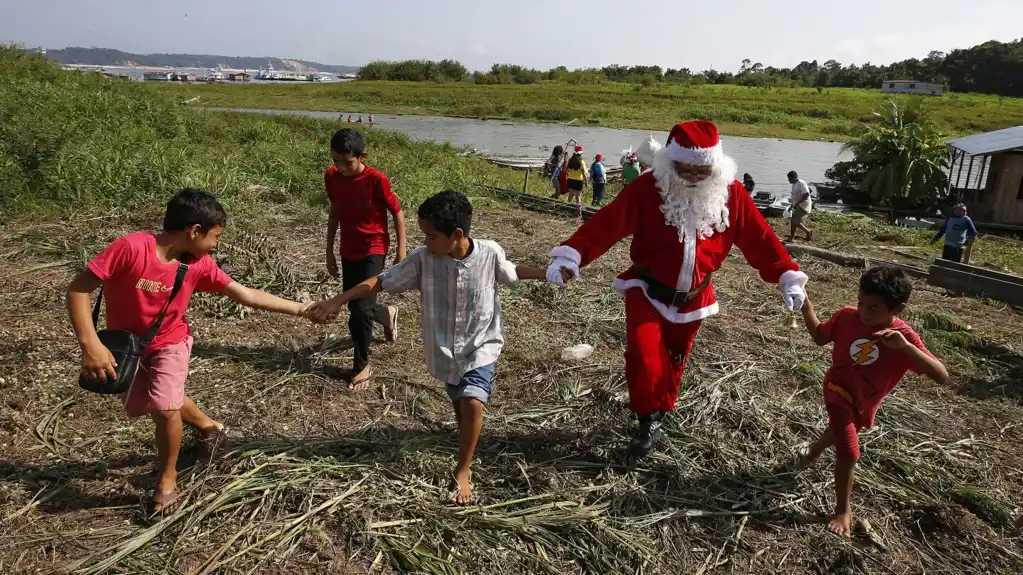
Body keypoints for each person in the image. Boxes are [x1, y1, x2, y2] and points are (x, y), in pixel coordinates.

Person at [546, 120, 808, 458]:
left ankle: (661, 412)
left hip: (695, 296)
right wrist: (572, 256)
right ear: (672, 162)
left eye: (704, 171)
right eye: (689, 169)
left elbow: (760, 239)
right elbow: (606, 223)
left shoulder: (732, 195)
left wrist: (786, 274)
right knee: (643, 353)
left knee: (675, 358)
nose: (697, 177)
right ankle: (646, 417)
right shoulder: (647, 189)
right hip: (647, 288)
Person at [67, 189, 313, 514]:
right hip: (128, 346)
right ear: (194, 231)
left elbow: (246, 294)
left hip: (171, 342)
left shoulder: (199, 265)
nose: (216, 245)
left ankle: (167, 478)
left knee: (165, 409)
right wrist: (91, 345)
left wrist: (302, 309)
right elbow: (78, 289)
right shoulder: (131, 248)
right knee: (160, 399)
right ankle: (211, 427)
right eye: (215, 236)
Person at [309, 191, 549, 504]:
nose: (426, 242)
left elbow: (513, 272)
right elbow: (380, 281)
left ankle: (463, 469)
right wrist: (338, 299)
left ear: (457, 235)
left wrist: (548, 273)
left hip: (481, 344)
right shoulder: (423, 260)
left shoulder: (489, 253)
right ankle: (463, 433)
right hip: (444, 348)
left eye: (432, 236)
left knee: (474, 402)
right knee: (458, 399)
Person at [799, 266, 948, 537]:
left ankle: (814, 449)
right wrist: (805, 303)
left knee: (840, 432)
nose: (864, 312)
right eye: (861, 303)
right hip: (838, 388)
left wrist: (906, 348)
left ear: (897, 310)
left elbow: (941, 376)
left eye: (874, 308)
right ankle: (843, 510)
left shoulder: (903, 337)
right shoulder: (847, 317)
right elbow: (820, 337)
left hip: (864, 399)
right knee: (849, 450)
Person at [324, 128, 406, 391]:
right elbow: (335, 212)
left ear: (362, 156)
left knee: (358, 311)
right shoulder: (332, 177)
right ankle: (386, 314)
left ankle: (361, 366)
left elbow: (397, 212)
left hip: (374, 248)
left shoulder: (376, 179)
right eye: (336, 161)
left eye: (347, 162)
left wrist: (401, 251)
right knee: (358, 306)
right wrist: (329, 250)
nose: (341, 167)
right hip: (348, 249)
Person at [787, 171, 813, 242]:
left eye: (790, 179)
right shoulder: (794, 184)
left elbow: (806, 194)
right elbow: (794, 196)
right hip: (798, 205)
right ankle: (792, 237)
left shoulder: (801, 183)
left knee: (794, 221)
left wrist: (798, 203)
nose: (789, 180)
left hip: (803, 206)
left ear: (794, 177)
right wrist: (791, 206)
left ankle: (807, 232)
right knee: (794, 221)